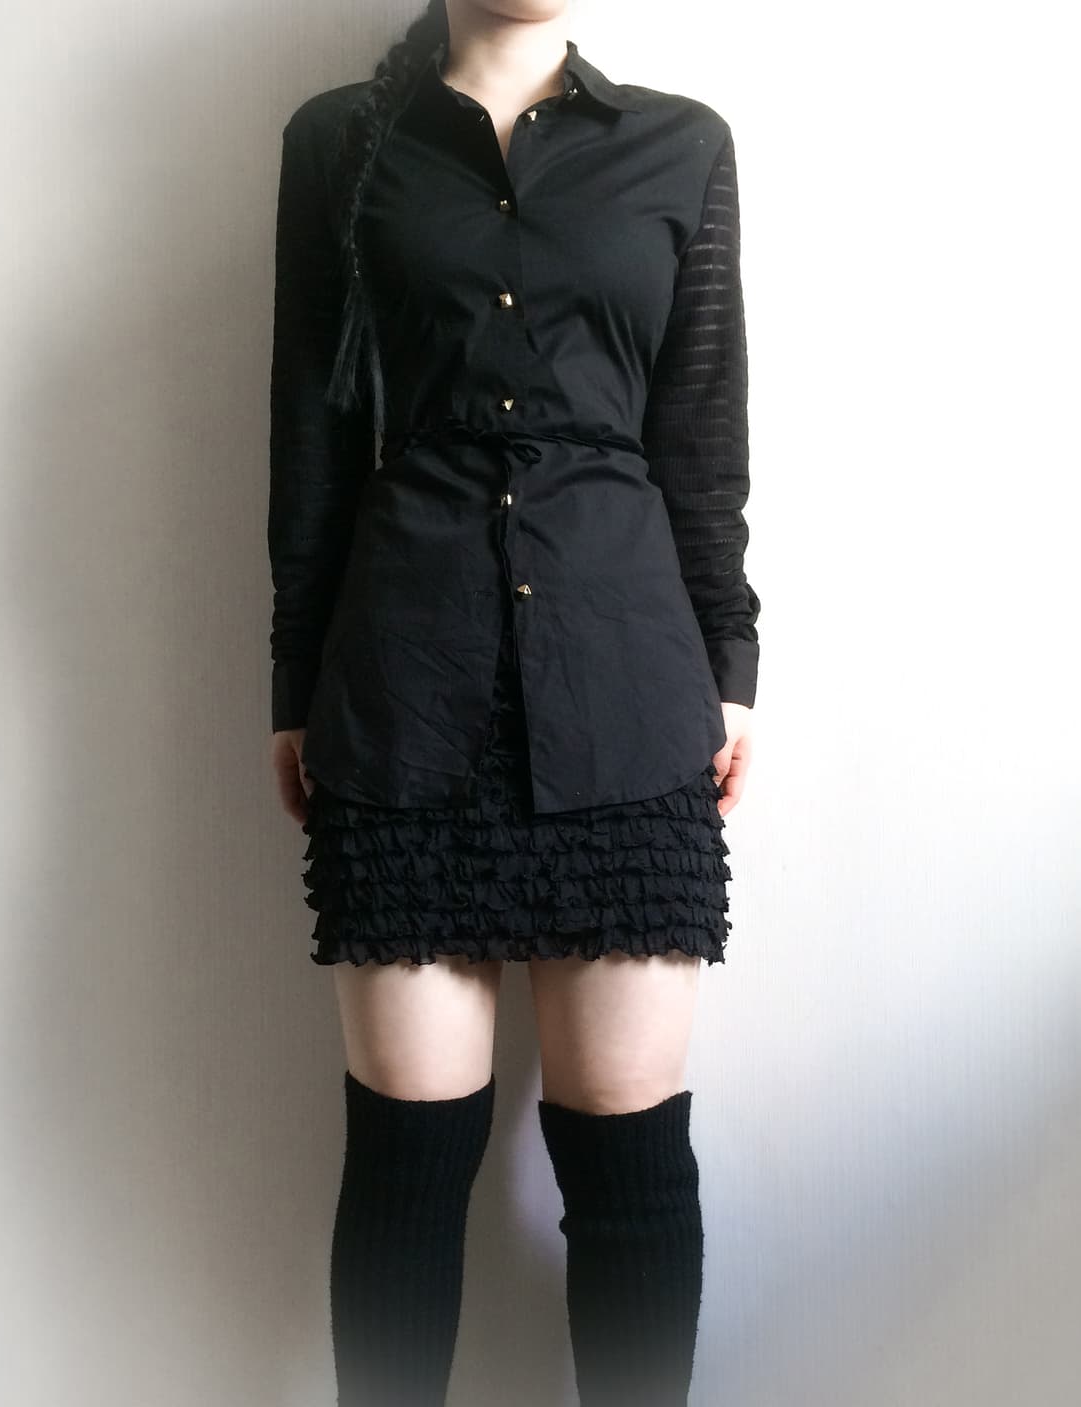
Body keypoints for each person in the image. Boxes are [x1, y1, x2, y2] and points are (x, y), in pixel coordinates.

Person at [266, 1, 760, 1402]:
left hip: (625, 691)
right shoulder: (337, 144)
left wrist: (729, 671)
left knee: (629, 1163)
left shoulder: (681, 146)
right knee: (407, 1164)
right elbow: (311, 436)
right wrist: (293, 683)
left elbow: (700, 437)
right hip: (401, 690)